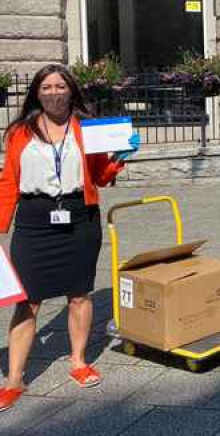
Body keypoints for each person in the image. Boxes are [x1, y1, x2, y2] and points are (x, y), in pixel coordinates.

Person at [0, 64, 140, 412]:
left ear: (70, 91)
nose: (53, 92)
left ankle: (78, 361)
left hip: (79, 218)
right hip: (34, 220)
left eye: (59, 86)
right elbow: (8, 181)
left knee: (79, 294)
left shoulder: (86, 128)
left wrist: (118, 159)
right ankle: (15, 379)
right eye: (45, 87)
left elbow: (99, 176)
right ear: (36, 92)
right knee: (28, 300)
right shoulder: (19, 131)